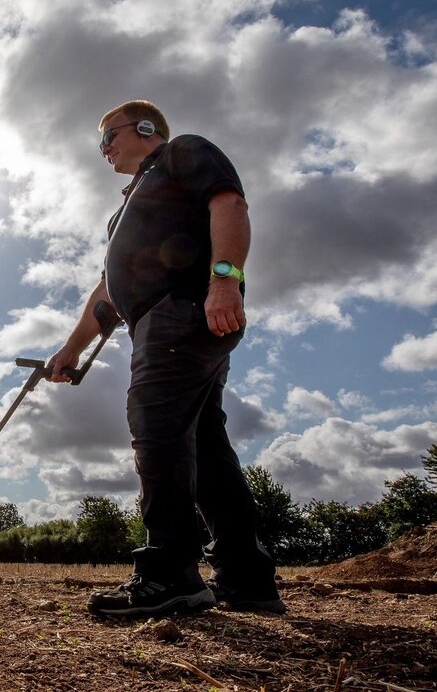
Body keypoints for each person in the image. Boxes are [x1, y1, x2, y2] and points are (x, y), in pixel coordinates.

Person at [47, 100, 284, 618]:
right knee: (205, 446)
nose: (103, 149)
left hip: (181, 312)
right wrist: (71, 348)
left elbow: (230, 205)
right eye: (100, 142)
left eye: (109, 136)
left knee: (155, 426)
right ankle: (247, 579)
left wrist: (225, 279)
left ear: (146, 128)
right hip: (161, 321)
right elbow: (107, 291)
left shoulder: (184, 154)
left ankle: (170, 574)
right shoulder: (127, 208)